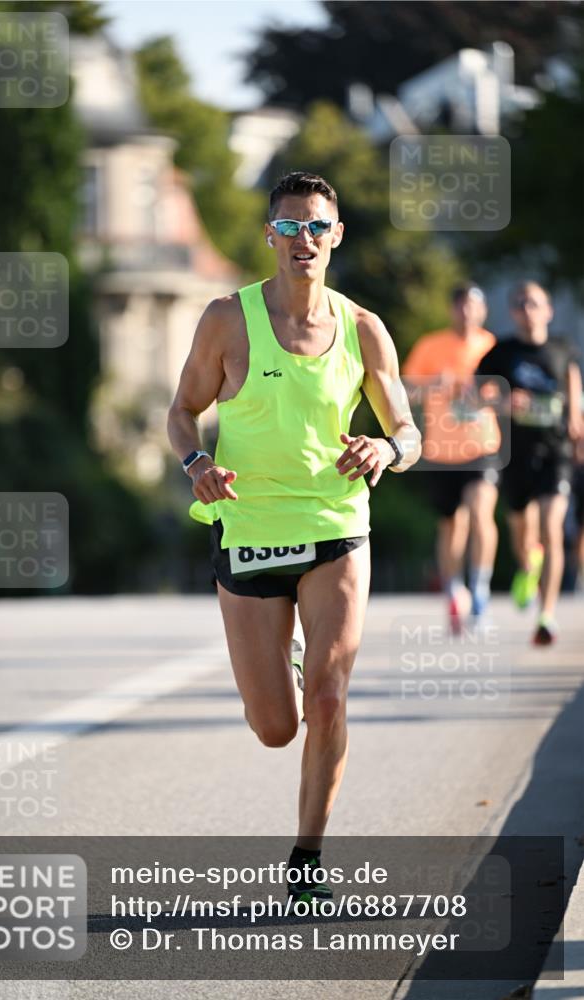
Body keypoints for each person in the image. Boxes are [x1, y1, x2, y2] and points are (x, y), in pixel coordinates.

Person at [167, 171, 420, 903]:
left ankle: (307, 857)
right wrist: (197, 462)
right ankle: (288, 657)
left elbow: (407, 429)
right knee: (276, 727)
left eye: (316, 226)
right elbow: (182, 411)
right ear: (269, 235)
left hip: (334, 525)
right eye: (289, 226)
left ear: (336, 235)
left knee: (330, 697)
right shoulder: (225, 318)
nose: (302, 239)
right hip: (247, 527)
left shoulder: (364, 328)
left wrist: (386, 450)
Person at [477, 281, 583, 645]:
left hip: (556, 454)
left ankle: (546, 615)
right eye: (520, 303)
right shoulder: (502, 352)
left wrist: (577, 423)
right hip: (515, 455)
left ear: (548, 310)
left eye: (534, 303)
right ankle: (528, 563)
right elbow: (474, 397)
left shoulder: (561, 347)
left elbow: (572, 379)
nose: (527, 309)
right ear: (512, 311)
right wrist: (502, 404)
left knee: (552, 527)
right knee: (522, 533)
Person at [402, 284, 501, 630]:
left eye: (473, 306)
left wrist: (484, 395)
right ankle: (454, 591)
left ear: (483, 310)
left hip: (482, 447)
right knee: (451, 525)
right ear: (451, 310)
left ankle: (480, 591)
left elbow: (506, 394)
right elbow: (404, 391)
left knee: (480, 512)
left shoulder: (492, 346)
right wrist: (432, 385)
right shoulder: (431, 345)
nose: (466, 312)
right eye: (460, 306)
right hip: (442, 451)